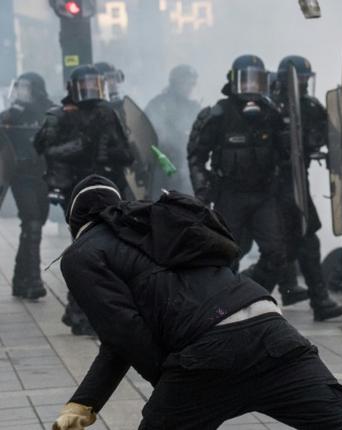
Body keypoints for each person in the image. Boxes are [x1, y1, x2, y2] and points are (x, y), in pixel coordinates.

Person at [51, 174, 342, 430]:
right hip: (271, 330)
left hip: (207, 354)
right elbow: (124, 335)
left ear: (75, 221)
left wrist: (169, 381)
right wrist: (84, 403)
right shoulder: (154, 227)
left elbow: (123, 330)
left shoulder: (83, 253)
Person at [243, 55, 342, 321]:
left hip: (297, 183)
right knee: (278, 251)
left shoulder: (308, 106)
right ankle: (247, 298)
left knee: (306, 242)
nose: (302, 84)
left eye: (304, 80)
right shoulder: (266, 106)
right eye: (299, 79)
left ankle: (317, 300)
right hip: (270, 188)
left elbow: (328, 134)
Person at [34, 64, 134, 336]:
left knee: (112, 252)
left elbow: (126, 150)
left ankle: (94, 311)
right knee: (86, 251)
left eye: (95, 84)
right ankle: (78, 313)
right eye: (85, 85)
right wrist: (81, 145)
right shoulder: (62, 115)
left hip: (108, 188)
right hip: (78, 192)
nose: (90, 91)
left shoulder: (106, 112)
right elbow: (45, 148)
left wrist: (115, 151)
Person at [187, 55, 297, 299]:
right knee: (227, 255)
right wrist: (202, 190)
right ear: (233, 82)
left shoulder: (272, 114)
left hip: (264, 195)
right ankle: (224, 304)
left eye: (256, 82)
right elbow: (196, 155)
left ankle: (253, 294)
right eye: (244, 81)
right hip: (230, 196)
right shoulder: (218, 114)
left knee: (277, 253)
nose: (250, 88)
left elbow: (288, 155)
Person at [0, 72, 55, 300]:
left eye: (26, 87)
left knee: (36, 222)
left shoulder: (49, 111)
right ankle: (33, 280)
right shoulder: (12, 114)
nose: (21, 91)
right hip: (20, 176)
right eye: (19, 86)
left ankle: (19, 280)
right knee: (31, 220)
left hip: (42, 175)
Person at [145, 64, 202, 194]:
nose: (189, 87)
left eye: (192, 83)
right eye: (186, 82)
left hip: (185, 167)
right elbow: (146, 133)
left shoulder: (194, 107)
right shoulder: (158, 104)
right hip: (161, 166)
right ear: (175, 82)